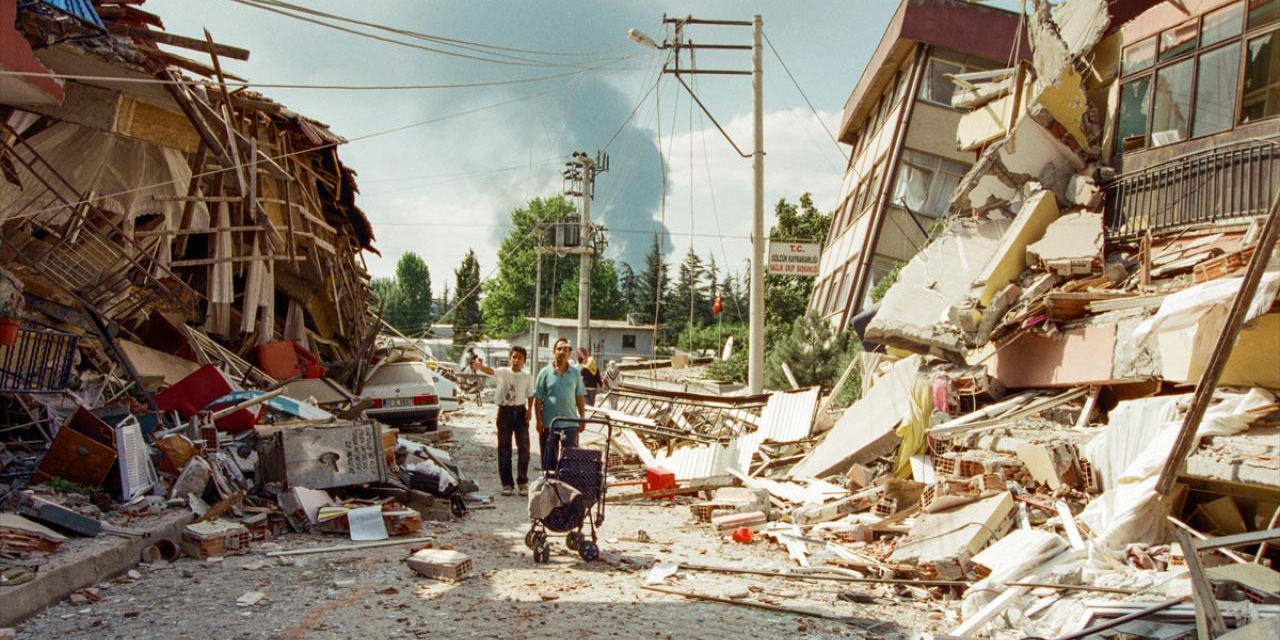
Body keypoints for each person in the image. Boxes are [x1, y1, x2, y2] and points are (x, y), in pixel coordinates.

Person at [471, 346, 534, 496]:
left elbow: (530, 394)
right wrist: (480, 367)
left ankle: (523, 482)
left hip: (520, 412)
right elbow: (490, 371)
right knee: (504, 449)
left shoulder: (527, 376)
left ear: (524, 360)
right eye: (513, 357)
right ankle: (507, 483)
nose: (516, 360)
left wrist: (530, 410)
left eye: (519, 357)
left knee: (524, 448)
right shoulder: (504, 372)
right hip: (505, 412)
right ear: (510, 358)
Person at [533, 337, 586, 470]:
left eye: (566, 349)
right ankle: (549, 486)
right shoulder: (544, 373)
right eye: (559, 349)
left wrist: (582, 417)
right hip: (549, 423)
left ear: (570, 353)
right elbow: (538, 398)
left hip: (570, 422)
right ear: (554, 351)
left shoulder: (575, 374)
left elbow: (579, 396)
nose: (562, 352)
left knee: (570, 459)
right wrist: (539, 419)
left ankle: (565, 487)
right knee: (548, 459)